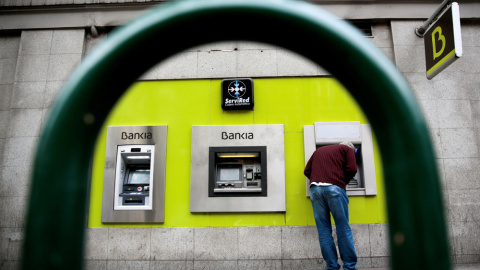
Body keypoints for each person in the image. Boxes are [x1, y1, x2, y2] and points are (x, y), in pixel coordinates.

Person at [304, 141, 358, 270]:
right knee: (343, 228)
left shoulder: (318, 151)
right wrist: (340, 181)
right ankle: (349, 266)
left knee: (324, 230)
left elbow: (307, 171)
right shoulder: (347, 149)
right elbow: (352, 169)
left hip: (315, 190)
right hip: (334, 189)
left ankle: (332, 266)